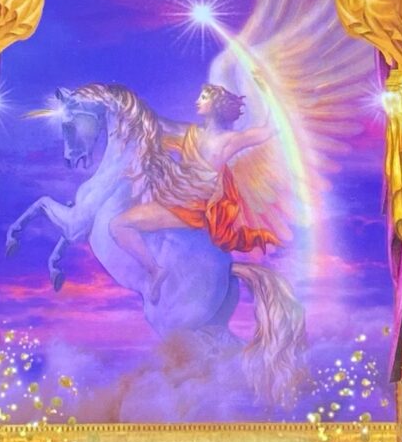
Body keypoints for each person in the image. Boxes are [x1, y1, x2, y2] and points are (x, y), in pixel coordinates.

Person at [109, 81, 279, 297]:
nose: (197, 101)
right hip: (173, 197)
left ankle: (155, 270)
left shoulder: (230, 140)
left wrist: (267, 89)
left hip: (189, 208)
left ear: (216, 105)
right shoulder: (190, 133)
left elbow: (268, 130)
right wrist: (126, 103)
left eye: (204, 97)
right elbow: (154, 121)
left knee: (118, 225)